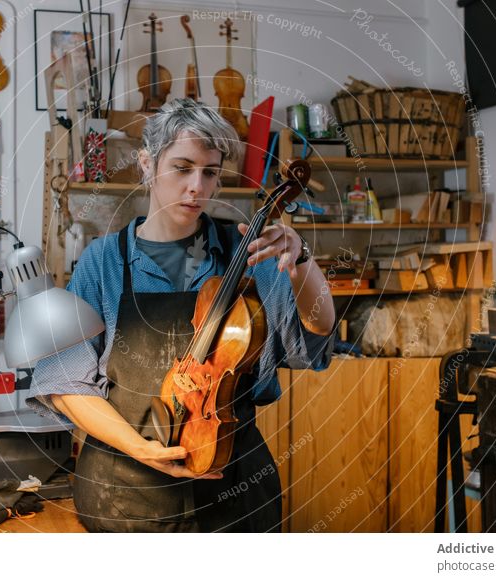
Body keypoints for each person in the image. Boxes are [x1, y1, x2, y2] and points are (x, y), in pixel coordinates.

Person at [27, 98, 337, 532]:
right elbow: (64, 381)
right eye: (182, 167)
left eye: (210, 172)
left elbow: (317, 330)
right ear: (147, 164)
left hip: (234, 490)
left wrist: (301, 258)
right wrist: (140, 447)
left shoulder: (247, 253)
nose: (197, 187)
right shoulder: (102, 262)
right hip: (125, 494)